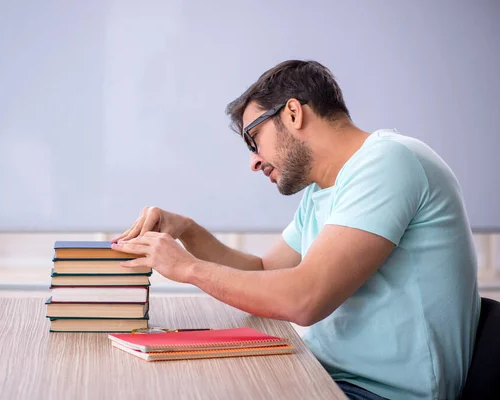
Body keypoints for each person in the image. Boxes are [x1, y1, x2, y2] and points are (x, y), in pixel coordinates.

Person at [110, 60, 480, 400]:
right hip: (328, 376)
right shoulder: (325, 190)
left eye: (254, 140)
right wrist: (187, 232)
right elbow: (265, 274)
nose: (254, 161)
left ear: (292, 113)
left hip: (380, 393)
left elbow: (303, 299)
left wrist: (186, 269)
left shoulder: (389, 162)